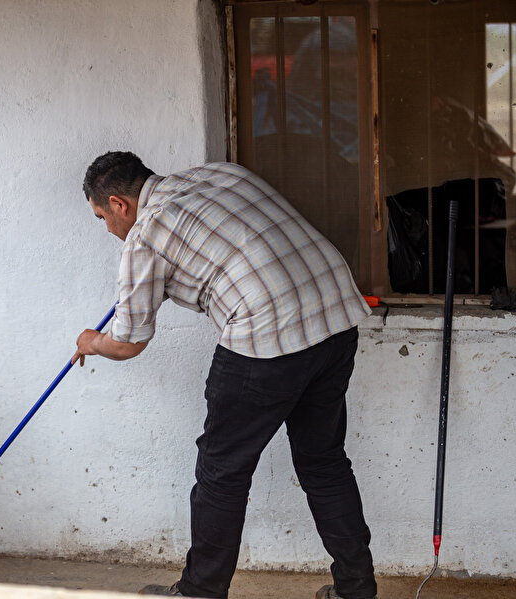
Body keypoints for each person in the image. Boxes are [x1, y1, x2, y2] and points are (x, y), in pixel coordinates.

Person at [72, 152, 377, 599]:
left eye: (102, 217)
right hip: (334, 318)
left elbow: (127, 342)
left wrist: (90, 341)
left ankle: (200, 593)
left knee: (222, 473)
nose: (108, 229)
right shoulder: (217, 174)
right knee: (324, 462)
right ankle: (357, 590)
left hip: (267, 338)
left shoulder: (146, 234)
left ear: (120, 204)